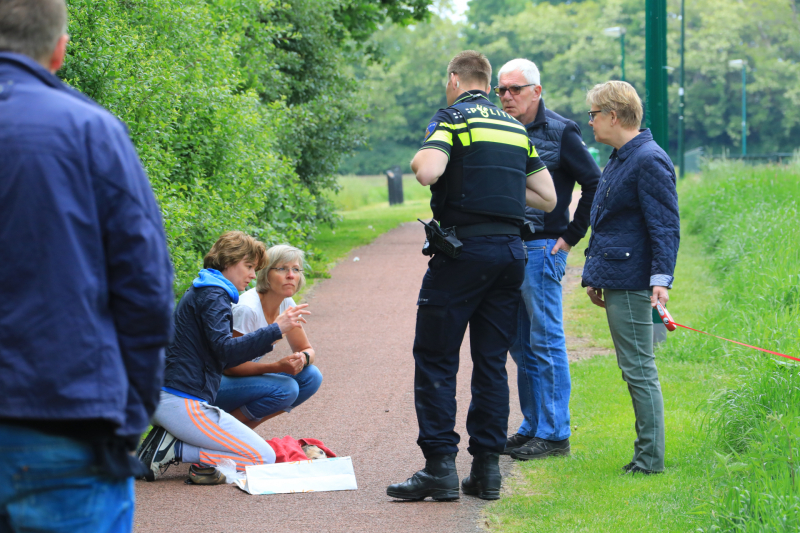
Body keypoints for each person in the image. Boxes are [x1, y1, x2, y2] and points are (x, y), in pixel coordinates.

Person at [0, 0, 174, 530]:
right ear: (59, 48)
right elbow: (145, 290)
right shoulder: (89, 131)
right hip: (62, 416)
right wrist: (129, 414)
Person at [386, 50, 557, 502]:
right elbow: (547, 197)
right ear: (489, 82)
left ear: (454, 79)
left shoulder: (453, 118)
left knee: (438, 358)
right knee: (490, 362)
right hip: (510, 255)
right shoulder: (513, 127)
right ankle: (485, 471)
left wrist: (427, 153)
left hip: (463, 254)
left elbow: (427, 171)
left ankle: (440, 467)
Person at [136, 232, 311, 483]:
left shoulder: (209, 291)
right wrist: (275, 330)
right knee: (262, 457)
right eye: (249, 266)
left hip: (172, 396)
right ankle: (174, 449)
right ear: (229, 261)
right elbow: (226, 352)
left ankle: (171, 443)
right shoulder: (213, 295)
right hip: (178, 399)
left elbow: (221, 351)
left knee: (259, 453)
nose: (252, 275)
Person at [495, 58, 600, 460]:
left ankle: (556, 434)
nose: (506, 96)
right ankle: (533, 425)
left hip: (542, 248)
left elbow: (594, 183)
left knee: (545, 340)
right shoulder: (498, 126)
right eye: (501, 89)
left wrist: (571, 236)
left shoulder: (561, 130)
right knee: (520, 343)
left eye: (515, 89)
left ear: (536, 91)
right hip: (508, 246)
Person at [582, 81, 679, 475]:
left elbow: (665, 226)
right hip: (618, 275)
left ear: (613, 115)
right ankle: (646, 455)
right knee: (634, 367)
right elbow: (612, 222)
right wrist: (594, 273)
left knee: (639, 369)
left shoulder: (647, 159)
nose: (589, 122)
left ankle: (649, 460)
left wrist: (661, 279)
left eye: (593, 114)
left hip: (635, 281)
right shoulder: (622, 156)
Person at [213, 244, 323, 428]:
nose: (291, 275)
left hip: (238, 377)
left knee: (311, 376)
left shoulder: (285, 302)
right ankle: (220, 431)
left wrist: (302, 359)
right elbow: (229, 367)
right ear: (265, 274)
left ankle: (244, 430)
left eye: (296, 269)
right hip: (215, 384)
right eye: (282, 269)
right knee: (287, 388)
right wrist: (276, 367)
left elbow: (306, 349)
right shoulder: (247, 309)